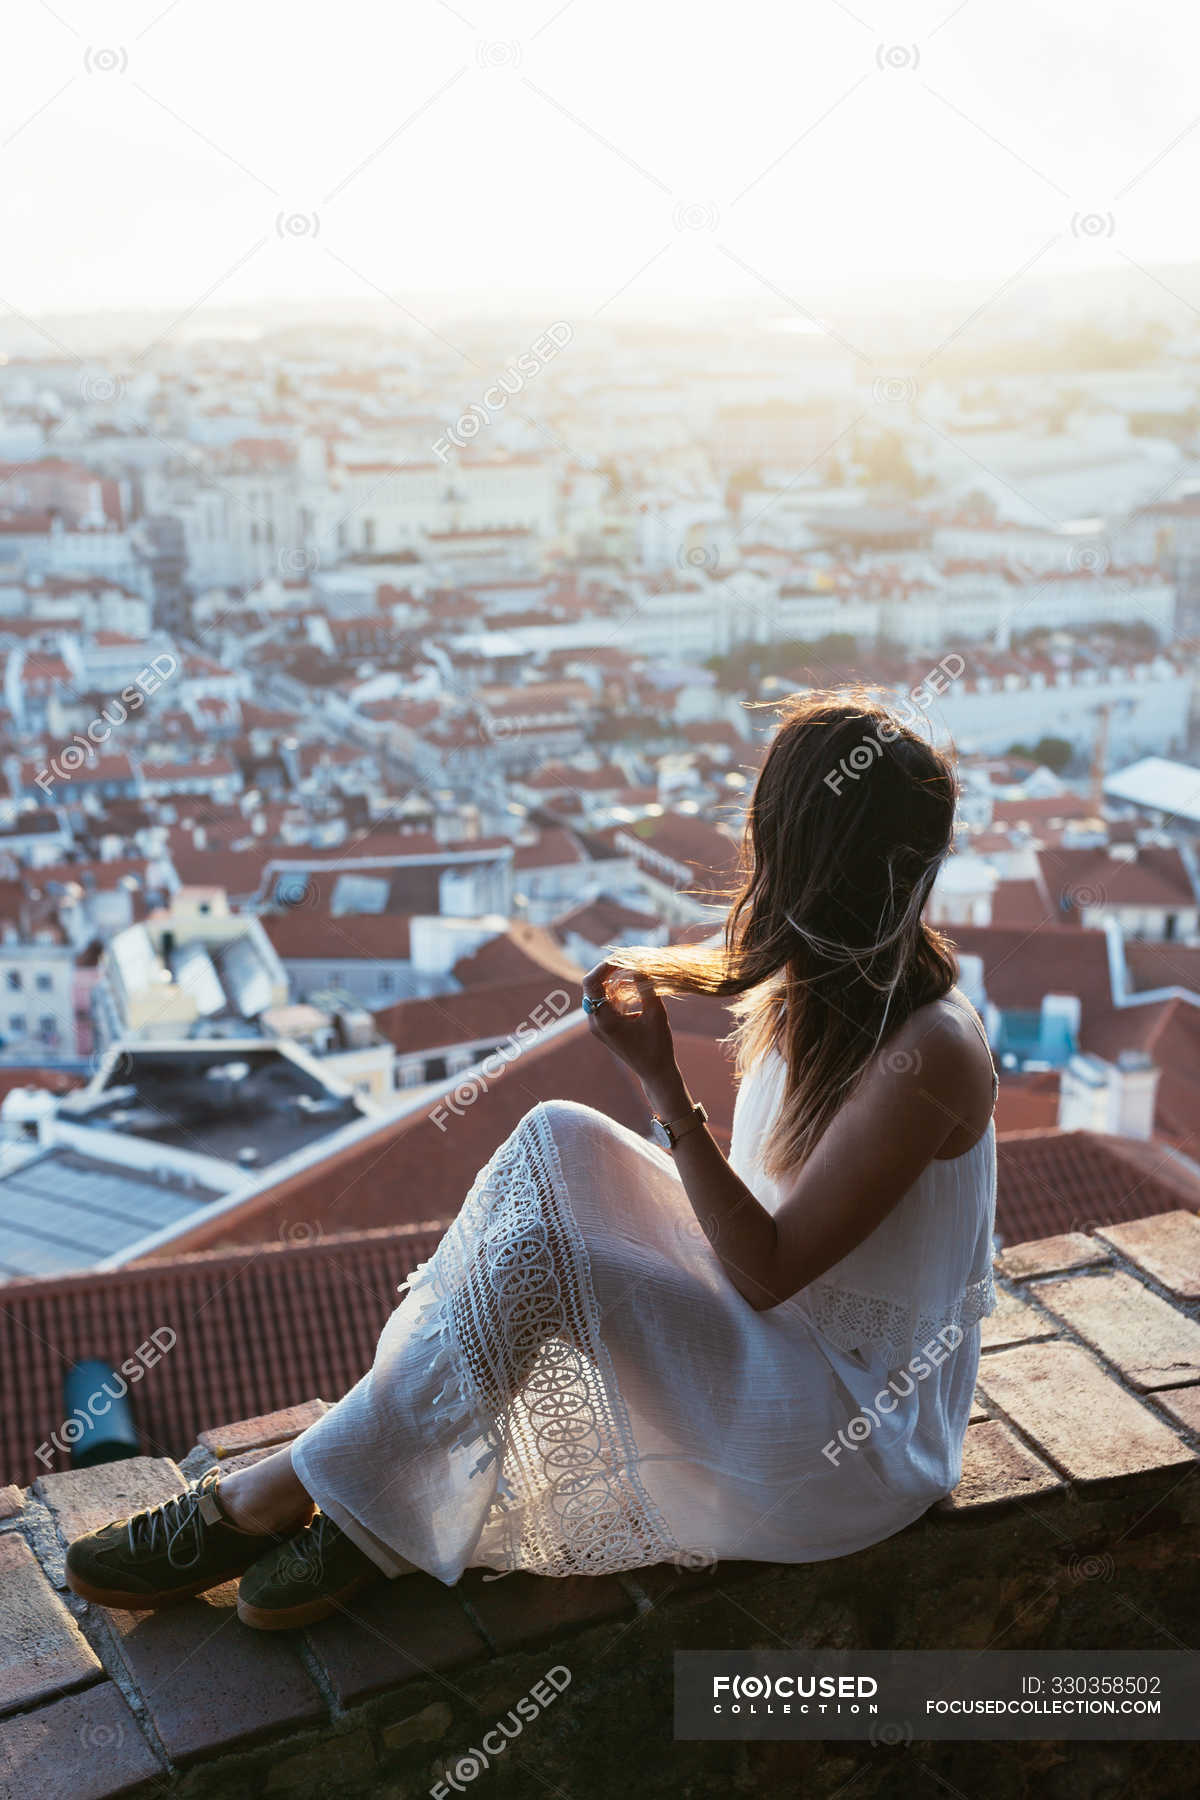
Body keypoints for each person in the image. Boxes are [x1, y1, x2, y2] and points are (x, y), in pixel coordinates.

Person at [65, 691, 997, 1631]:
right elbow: (743, 988)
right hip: (787, 1347)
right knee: (556, 1134)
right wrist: (656, 971)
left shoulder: (932, 1052)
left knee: (552, 1256)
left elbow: (765, 1272)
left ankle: (280, 1495)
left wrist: (663, 1086)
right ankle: (359, 1511)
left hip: (850, 1436)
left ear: (802, 857)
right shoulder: (818, 987)